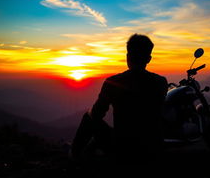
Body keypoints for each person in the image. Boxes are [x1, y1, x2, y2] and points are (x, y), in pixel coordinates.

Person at [71, 34, 168, 162]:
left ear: (128, 57)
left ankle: (73, 157)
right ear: (148, 59)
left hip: (122, 148)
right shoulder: (161, 82)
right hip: (152, 148)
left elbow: (96, 114)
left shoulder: (113, 82)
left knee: (88, 117)